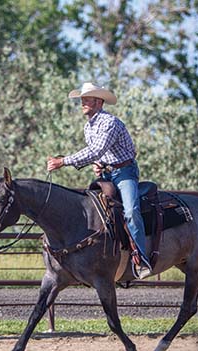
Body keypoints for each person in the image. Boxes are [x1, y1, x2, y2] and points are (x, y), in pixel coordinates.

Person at [46, 82, 152, 279]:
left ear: (98, 102)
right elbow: (98, 153)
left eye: (87, 99)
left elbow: (96, 149)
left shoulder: (109, 122)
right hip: (107, 173)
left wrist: (63, 161)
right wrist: (98, 164)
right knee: (92, 210)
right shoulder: (89, 127)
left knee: (131, 211)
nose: (82, 103)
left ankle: (141, 258)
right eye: (82, 99)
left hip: (124, 173)